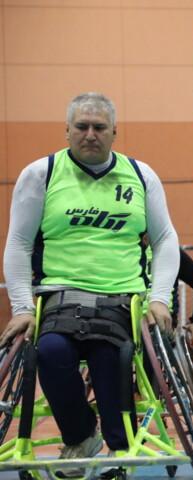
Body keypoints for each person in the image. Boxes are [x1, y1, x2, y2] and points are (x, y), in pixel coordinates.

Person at [0, 93, 180, 471]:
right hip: (59, 297)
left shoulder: (141, 176)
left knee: (109, 354)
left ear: (114, 132)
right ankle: (81, 436)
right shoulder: (41, 174)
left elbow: (165, 240)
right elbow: (18, 243)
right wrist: (21, 307)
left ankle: (119, 442)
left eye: (99, 127)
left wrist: (159, 298)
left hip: (121, 299)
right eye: (81, 126)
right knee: (50, 353)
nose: (90, 134)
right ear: (67, 131)